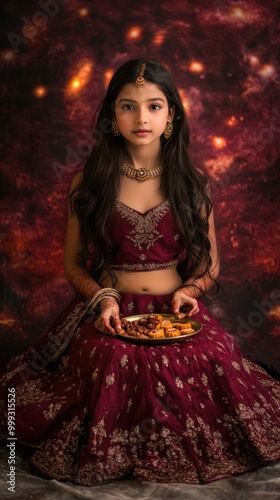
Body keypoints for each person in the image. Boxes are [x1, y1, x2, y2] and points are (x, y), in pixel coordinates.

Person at [1, 58, 280, 486]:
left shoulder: (192, 182)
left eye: (154, 106)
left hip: (176, 311)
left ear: (171, 115)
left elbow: (209, 266)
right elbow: (73, 265)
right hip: (110, 310)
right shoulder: (90, 181)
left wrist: (191, 290)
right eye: (128, 106)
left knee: (213, 358)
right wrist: (103, 298)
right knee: (113, 359)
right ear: (113, 115)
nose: (141, 118)